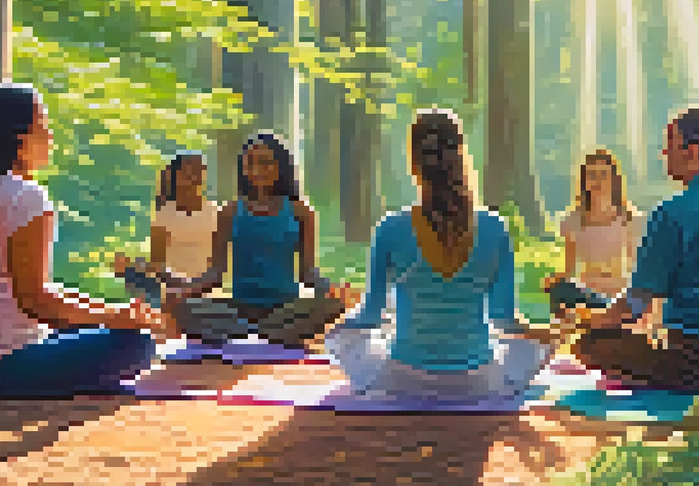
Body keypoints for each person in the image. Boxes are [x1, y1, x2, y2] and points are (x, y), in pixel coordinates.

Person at [0, 83, 173, 397]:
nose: (50, 138)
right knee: (136, 343)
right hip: (4, 364)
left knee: (111, 329)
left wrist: (113, 311)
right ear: (20, 141)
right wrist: (116, 317)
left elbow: (39, 291)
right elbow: (36, 301)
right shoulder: (26, 196)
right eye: (43, 128)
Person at [324, 109, 559, 400]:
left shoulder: (390, 228)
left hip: (404, 379)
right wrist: (545, 334)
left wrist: (338, 325)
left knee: (344, 336)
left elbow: (370, 316)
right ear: (461, 158)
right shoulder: (494, 227)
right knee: (535, 344)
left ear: (414, 164)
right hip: (477, 381)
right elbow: (504, 319)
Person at [570, 107, 699, 391]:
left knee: (590, 344)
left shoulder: (670, 213)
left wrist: (592, 319)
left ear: (691, 152)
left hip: (695, 360)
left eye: (670, 145)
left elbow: (636, 304)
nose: (664, 154)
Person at [167, 132, 349, 350]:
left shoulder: (301, 211)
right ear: (243, 168)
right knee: (184, 308)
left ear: (280, 166)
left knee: (333, 305)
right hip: (238, 310)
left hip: (286, 309)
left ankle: (254, 334)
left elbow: (308, 273)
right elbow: (215, 274)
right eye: (250, 163)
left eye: (265, 162)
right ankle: (266, 334)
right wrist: (184, 292)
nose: (257, 169)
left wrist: (331, 289)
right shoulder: (229, 212)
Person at [542, 150, 644, 317]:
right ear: (584, 181)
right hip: (586, 293)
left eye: (603, 175)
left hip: (617, 296)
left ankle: (606, 316)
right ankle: (574, 322)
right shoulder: (573, 220)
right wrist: (553, 282)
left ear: (613, 180)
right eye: (592, 175)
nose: (597, 181)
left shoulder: (630, 218)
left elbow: (635, 268)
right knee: (560, 288)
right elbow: (569, 270)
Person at [112, 152, 219, 309]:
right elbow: (158, 264)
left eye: (198, 171)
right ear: (176, 177)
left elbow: (217, 265)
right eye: (188, 171)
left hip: (206, 290)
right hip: (172, 290)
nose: (194, 177)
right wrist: (181, 284)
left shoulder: (215, 212)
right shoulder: (164, 214)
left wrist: (198, 286)